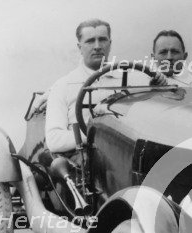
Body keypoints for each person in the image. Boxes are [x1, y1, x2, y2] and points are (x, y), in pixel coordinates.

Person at [45, 19, 151, 153]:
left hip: (125, 154)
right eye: (90, 41)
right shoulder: (63, 86)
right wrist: (99, 134)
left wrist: (160, 81)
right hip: (84, 159)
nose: (97, 46)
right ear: (80, 47)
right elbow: (54, 140)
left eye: (102, 40)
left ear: (110, 44)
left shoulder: (131, 80)